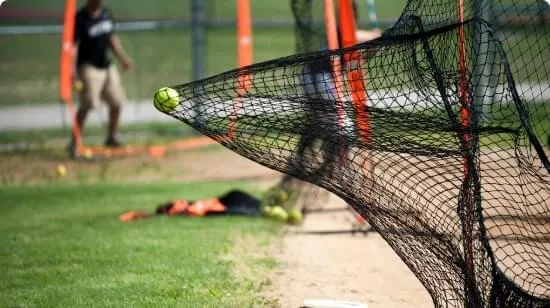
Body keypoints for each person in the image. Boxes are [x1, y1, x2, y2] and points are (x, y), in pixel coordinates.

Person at [68, 0, 134, 156]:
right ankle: (75, 141)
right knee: (88, 103)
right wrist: (73, 72)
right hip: (88, 66)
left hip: (106, 65)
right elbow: (74, 47)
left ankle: (111, 138)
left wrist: (123, 58)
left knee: (117, 102)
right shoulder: (80, 18)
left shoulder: (106, 13)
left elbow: (111, 38)